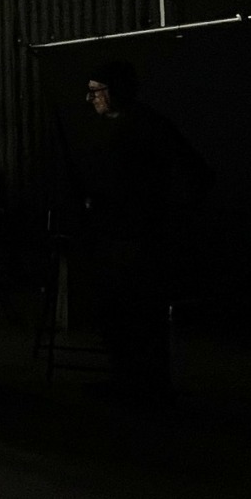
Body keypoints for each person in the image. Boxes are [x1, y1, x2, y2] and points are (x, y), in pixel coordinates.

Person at [62, 61, 209, 406]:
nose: (90, 98)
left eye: (96, 91)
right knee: (117, 315)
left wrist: (162, 214)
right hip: (113, 237)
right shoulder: (109, 129)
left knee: (141, 315)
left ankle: (148, 388)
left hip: (140, 239)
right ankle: (125, 381)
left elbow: (191, 172)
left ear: (116, 91)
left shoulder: (148, 126)